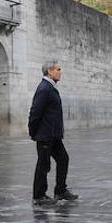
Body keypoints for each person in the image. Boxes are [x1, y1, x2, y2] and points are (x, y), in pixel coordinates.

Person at [28, 60, 78, 207]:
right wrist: (33, 131)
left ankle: (60, 190)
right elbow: (35, 112)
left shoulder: (50, 87)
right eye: (58, 69)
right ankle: (38, 196)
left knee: (63, 159)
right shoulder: (44, 88)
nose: (60, 71)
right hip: (45, 135)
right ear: (50, 71)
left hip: (53, 135)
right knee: (44, 165)